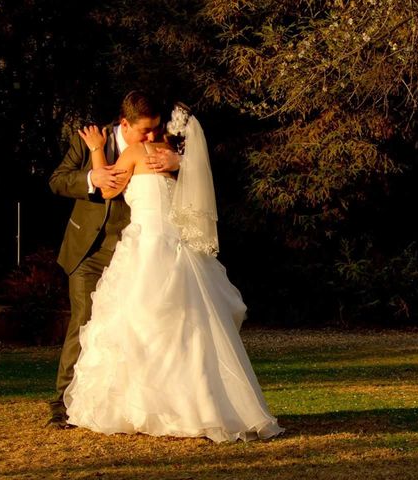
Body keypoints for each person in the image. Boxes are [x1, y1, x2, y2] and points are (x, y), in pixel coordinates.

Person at [61, 103, 284, 442]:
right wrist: (183, 162)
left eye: (154, 128)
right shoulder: (178, 160)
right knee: (189, 330)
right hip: (180, 249)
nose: (150, 135)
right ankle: (198, 407)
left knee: (140, 325)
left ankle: (145, 408)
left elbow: (107, 189)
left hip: (146, 247)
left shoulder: (137, 152)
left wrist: (95, 150)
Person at [48, 91, 180, 428]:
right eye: (144, 132)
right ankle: (64, 403)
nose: (151, 138)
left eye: (155, 129)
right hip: (88, 250)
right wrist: (93, 177)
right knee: (84, 320)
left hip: (134, 252)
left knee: (132, 326)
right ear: (124, 123)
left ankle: (120, 401)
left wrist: (179, 163)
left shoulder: (165, 146)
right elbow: (58, 180)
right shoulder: (92, 139)